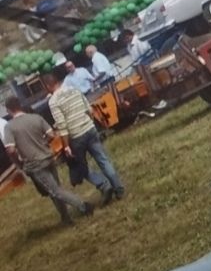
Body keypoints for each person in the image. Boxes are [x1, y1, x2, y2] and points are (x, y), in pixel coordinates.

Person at [3, 96, 94, 225]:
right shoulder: (35, 118)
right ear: (20, 105)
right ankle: (65, 218)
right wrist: (43, 143)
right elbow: (52, 135)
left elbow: (11, 150)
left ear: (8, 110)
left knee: (55, 191)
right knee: (55, 190)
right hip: (48, 157)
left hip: (34, 164)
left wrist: (19, 162)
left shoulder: (10, 127)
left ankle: (83, 205)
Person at [43, 67, 124, 204]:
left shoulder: (53, 101)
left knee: (80, 167)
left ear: (48, 86)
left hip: (76, 136)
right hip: (89, 128)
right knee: (103, 159)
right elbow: (89, 109)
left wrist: (66, 146)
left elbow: (62, 125)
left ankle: (103, 185)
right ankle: (119, 187)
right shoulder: (74, 89)